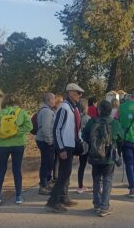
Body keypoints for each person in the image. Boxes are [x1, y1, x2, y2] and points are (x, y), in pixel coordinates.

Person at [46, 83, 84, 213]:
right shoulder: (64, 107)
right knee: (63, 174)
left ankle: (63, 197)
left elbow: (75, 128)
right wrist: (61, 148)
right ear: (70, 93)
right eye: (78, 93)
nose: (80, 95)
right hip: (65, 145)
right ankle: (53, 201)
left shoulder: (73, 108)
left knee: (66, 173)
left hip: (70, 144)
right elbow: (57, 129)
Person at [82, 100, 123, 217]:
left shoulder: (92, 121)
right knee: (107, 181)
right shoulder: (114, 123)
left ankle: (97, 204)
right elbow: (121, 138)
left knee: (96, 180)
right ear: (110, 111)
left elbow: (84, 135)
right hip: (109, 157)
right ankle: (104, 206)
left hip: (94, 155)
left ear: (99, 110)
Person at [36, 93, 56, 195]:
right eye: (54, 98)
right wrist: (50, 141)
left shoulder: (47, 110)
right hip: (45, 141)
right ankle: (43, 186)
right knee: (46, 163)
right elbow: (45, 128)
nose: (55, 100)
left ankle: (47, 182)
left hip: (45, 140)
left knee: (49, 162)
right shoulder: (47, 112)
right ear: (49, 100)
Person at [77, 98, 91, 194]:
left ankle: (80, 185)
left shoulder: (76, 116)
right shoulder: (87, 118)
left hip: (78, 143)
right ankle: (97, 184)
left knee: (81, 165)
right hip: (87, 143)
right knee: (94, 165)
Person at [52, 94, 64, 182]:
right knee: (57, 158)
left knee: (56, 158)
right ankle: (56, 177)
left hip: (54, 138)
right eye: (61, 102)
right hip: (54, 138)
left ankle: (56, 176)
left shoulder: (54, 111)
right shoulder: (56, 112)